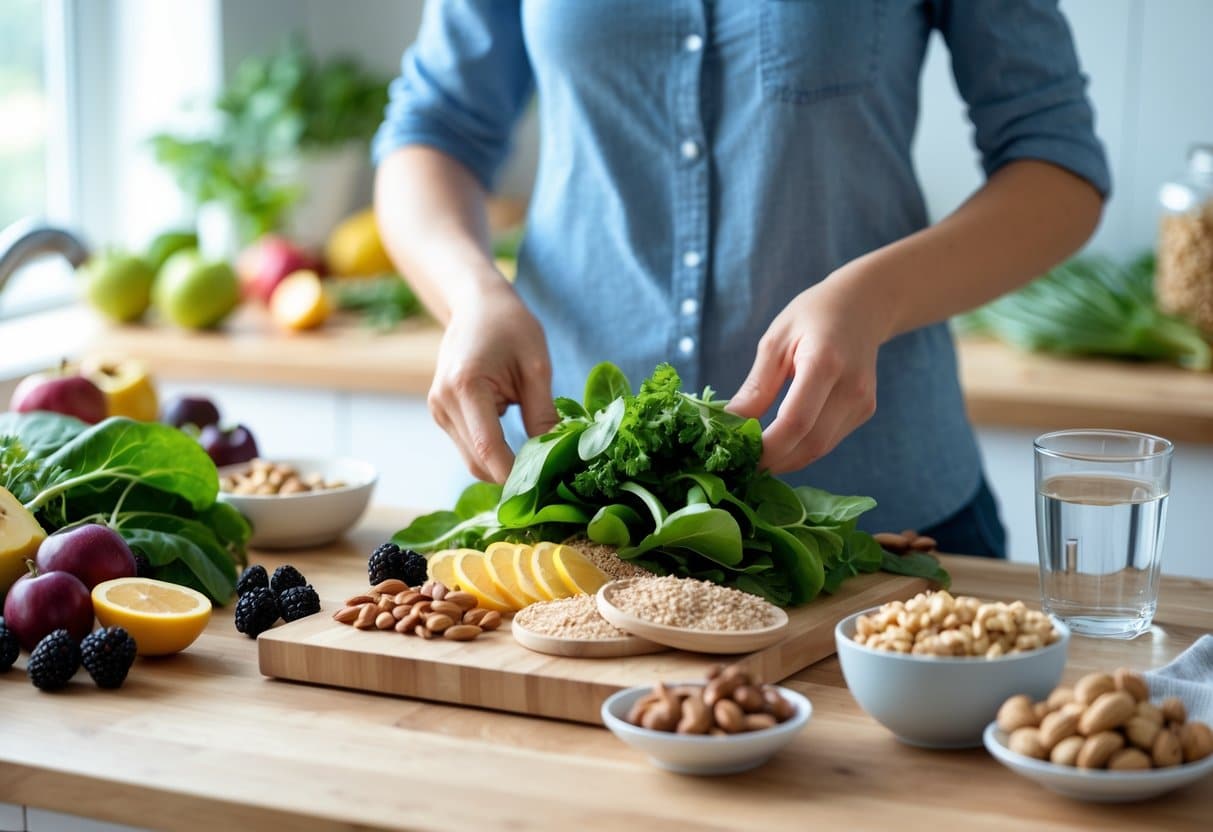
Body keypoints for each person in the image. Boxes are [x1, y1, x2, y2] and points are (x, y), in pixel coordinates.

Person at [372, 1, 1109, 558]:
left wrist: (875, 298)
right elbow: (432, 129)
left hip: (881, 518)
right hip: (562, 516)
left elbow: (1057, 161)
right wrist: (471, 294)